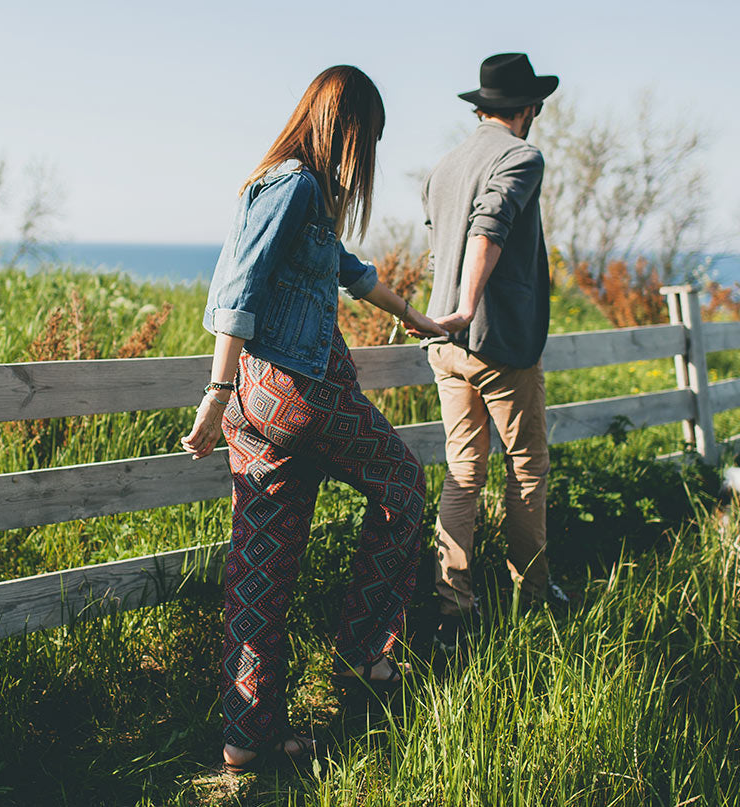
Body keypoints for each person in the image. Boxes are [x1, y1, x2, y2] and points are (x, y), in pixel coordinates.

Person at [181, 65, 445, 773]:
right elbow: (239, 288)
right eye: (369, 140)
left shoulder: (293, 193)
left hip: (257, 405)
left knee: (262, 566)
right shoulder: (294, 183)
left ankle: (248, 738)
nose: (367, 160)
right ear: (347, 127)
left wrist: (417, 318)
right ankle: (363, 658)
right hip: (293, 386)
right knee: (403, 486)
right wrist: (214, 390)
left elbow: (349, 270)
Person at [420, 53, 570, 652]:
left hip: (445, 346)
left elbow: (443, 243)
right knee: (527, 466)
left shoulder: (445, 165)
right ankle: (532, 596)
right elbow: (489, 228)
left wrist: (448, 317)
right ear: (527, 107)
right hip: (498, 342)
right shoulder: (521, 156)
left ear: (482, 105)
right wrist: (469, 304)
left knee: (463, 471)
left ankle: (453, 606)